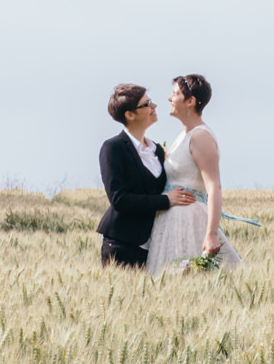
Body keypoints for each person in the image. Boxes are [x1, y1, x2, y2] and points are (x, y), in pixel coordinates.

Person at [147, 73, 242, 275]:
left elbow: (213, 186)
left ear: (190, 101)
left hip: (189, 221)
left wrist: (212, 234)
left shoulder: (200, 136)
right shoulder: (183, 135)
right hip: (171, 221)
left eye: (175, 94)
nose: (169, 99)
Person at [97, 83, 195, 268]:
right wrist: (165, 201)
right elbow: (119, 199)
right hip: (122, 244)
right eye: (147, 104)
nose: (154, 106)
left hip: (156, 246)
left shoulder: (156, 150)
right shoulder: (113, 148)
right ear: (130, 115)